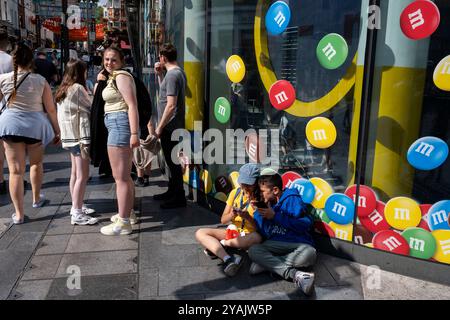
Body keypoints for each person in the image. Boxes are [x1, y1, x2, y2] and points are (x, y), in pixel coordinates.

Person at [0, 43, 61, 224]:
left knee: (15, 172)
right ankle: (36, 199)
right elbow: (50, 109)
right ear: (31, 60)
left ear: (14, 60)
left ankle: (18, 214)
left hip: (10, 126)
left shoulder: (2, 79)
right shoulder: (40, 81)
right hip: (35, 126)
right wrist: (58, 131)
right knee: (36, 164)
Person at [248, 172, 317, 296]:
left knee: (310, 254)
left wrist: (275, 216)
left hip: (298, 244)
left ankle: (267, 265)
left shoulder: (291, 198)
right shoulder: (268, 204)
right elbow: (267, 233)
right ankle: (295, 275)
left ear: (275, 190)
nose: (260, 194)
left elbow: (304, 224)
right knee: (253, 250)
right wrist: (258, 213)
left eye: (262, 191)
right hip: (275, 243)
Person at [99, 47, 140, 236]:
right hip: (116, 123)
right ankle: (127, 214)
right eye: (106, 59)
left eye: (113, 60)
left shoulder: (121, 76)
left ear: (121, 61)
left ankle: (123, 223)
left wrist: (133, 133)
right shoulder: (113, 76)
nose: (109, 63)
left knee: (120, 178)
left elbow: (132, 105)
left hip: (119, 124)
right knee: (125, 176)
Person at [195, 164, 262, 277]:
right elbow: (223, 220)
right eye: (243, 183)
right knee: (200, 232)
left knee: (257, 237)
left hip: (248, 235)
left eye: (249, 185)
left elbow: (260, 229)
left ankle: (223, 245)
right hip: (233, 232)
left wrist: (247, 217)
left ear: (256, 183)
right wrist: (232, 214)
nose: (245, 187)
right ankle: (228, 259)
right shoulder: (235, 193)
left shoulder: (261, 198)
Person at [55, 59, 98, 226]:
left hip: (70, 137)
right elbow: (91, 107)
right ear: (80, 72)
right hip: (79, 137)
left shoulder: (63, 89)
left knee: (75, 174)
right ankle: (77, 213)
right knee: (82, 175)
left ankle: (76, 207)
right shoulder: (78, 89)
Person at [152, 43, 187, 209]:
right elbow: (167, 95)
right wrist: (160, 76)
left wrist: (159, 127)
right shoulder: (175, 73)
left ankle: (178, 196)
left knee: (172, 162)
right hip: (172, 126)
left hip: (170, 126)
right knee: (170, 160)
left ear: (163, 58)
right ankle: (173, 191)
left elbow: (170, 105)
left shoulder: (173, 75)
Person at [0, 31, 13, 195]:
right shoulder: (9, 60)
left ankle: (1, 180)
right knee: (8, 146)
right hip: (6, 106)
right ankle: (11, 177)